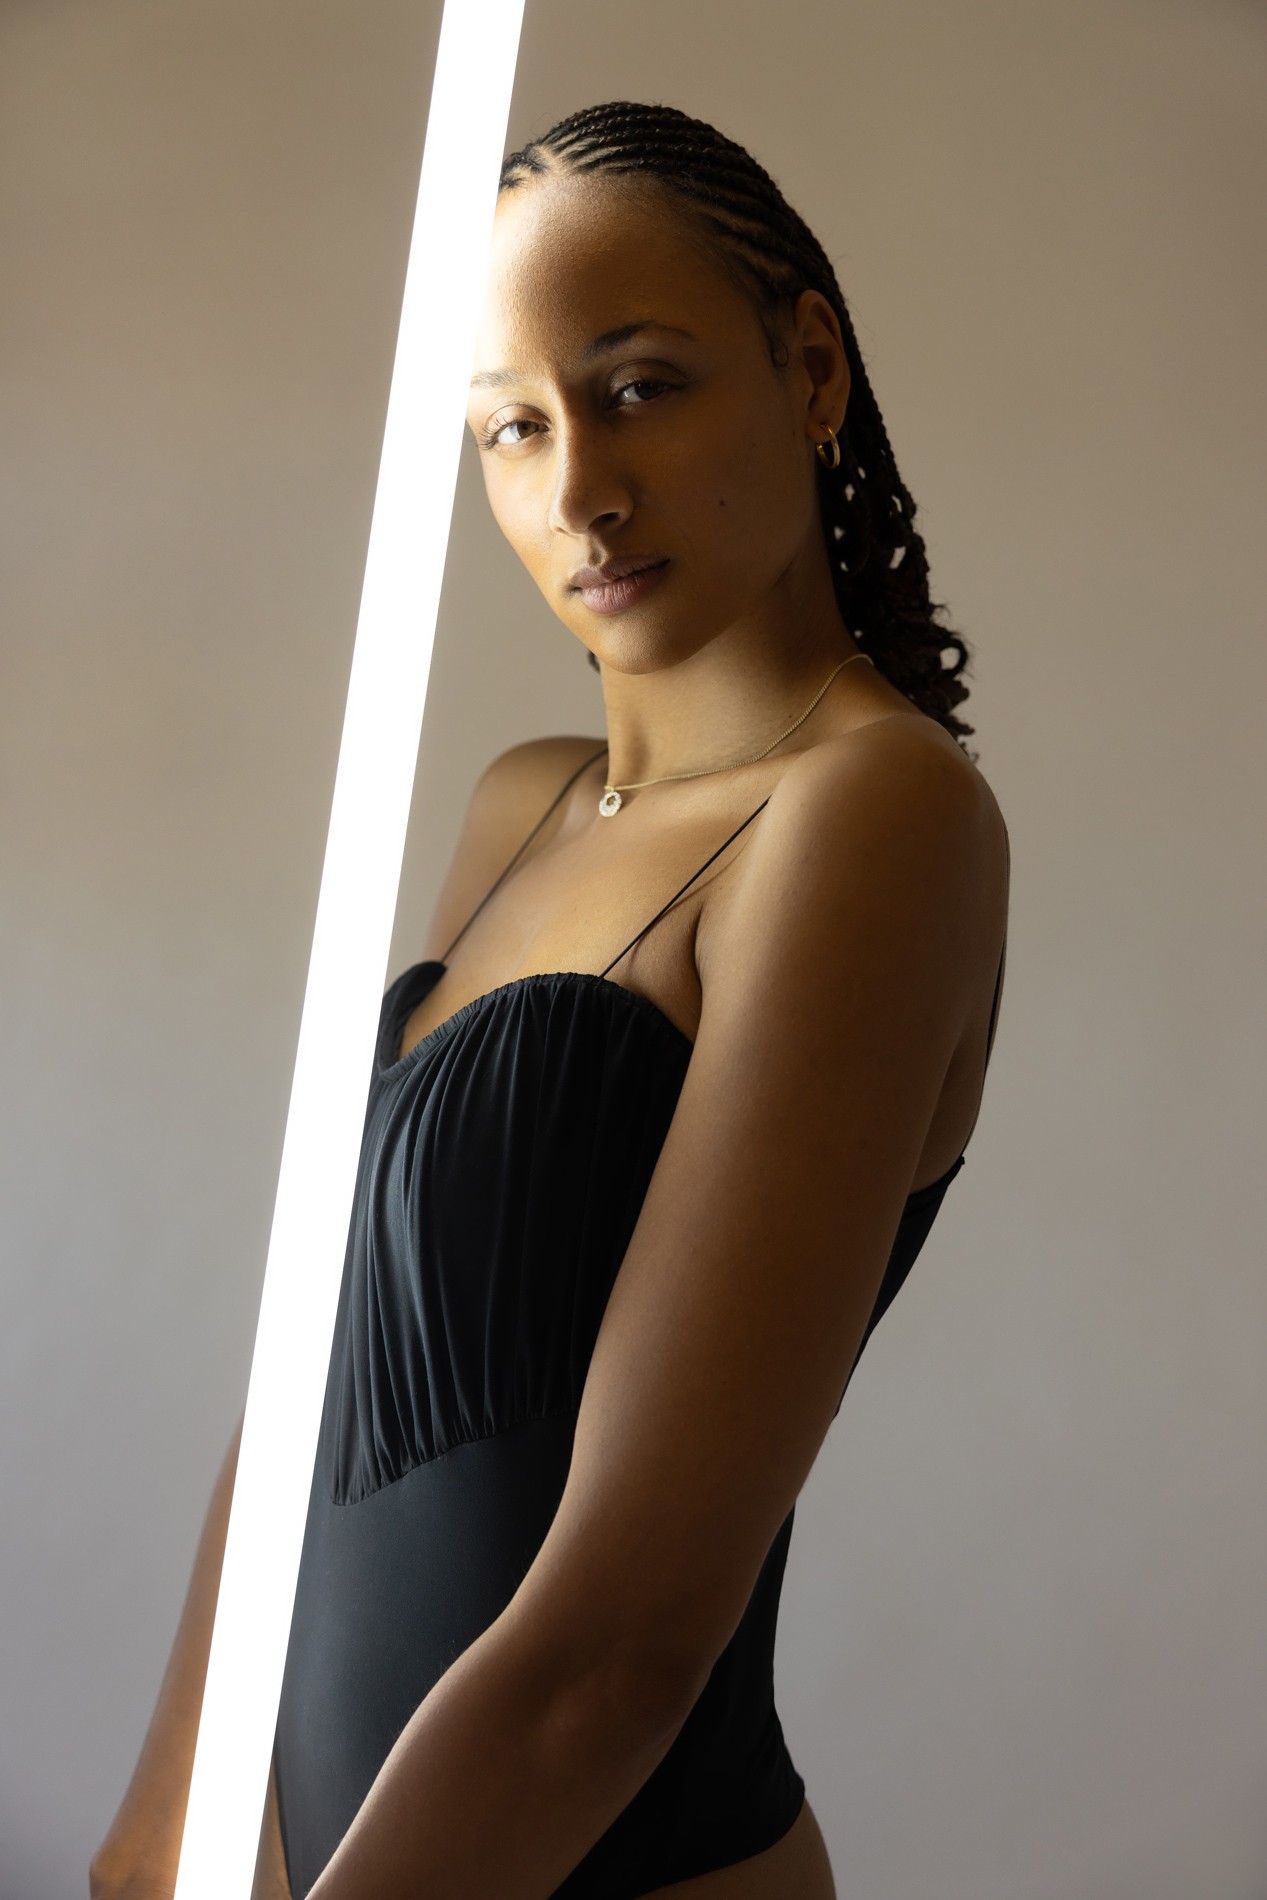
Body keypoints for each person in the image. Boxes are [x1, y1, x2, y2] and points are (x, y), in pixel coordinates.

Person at [91, 98, 1009, 1900]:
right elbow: (312, 1399)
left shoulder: (874, 818)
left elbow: (621, 1643)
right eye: (511, 425)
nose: (578, 486)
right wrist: (156, 1845)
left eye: (641, 386)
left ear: (812, 367)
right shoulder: (521, 804)